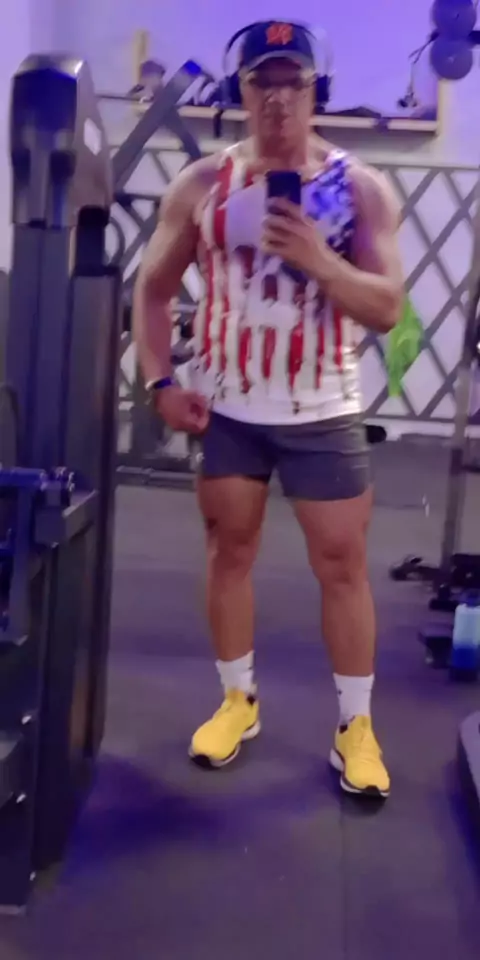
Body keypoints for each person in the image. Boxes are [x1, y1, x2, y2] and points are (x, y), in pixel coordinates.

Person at [133, 20, 404, 798]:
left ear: (317, 92)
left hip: (323, 407)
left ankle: (356, 725)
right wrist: (159, 383)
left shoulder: (360, 189)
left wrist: (319, 260)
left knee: (341, 565)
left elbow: (387, 307)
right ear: (240, 92)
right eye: (262, 83)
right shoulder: (201, 187)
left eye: (294, 83)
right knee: (229, 552)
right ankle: (237, 702)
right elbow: (152, 292)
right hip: (230, 409)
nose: (279, 99)